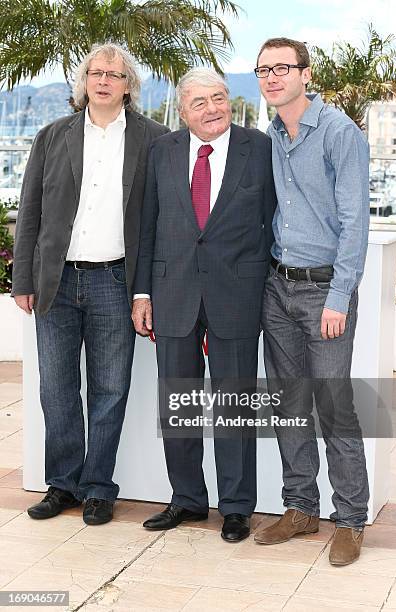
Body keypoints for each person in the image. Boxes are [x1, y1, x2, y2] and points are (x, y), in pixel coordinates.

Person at [12, 43, 168, 525]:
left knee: (110, 390)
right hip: (56, 283)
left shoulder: (154, 139)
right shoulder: (51, 136)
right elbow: (30, 212)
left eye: (114, 75)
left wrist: (148, 291)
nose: (103, 81)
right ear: (85, 82)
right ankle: (63, 484)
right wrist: (23, 279)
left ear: (128, 86)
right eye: (96, 73)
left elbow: (160, 223)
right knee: (55, 390)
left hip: (115, 283)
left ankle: (99, 487)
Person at [133, 68, 276, 542]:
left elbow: (274, 220)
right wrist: (141, 293)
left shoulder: (260, 148)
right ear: (184, 110)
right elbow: (146, 226)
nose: (213, 108)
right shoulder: (163, 151)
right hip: (172, 294)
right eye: (201, 102)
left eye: (219, 97)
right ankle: (188, 500)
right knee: (179, 405)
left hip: (237, 294)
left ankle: (236, 507)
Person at [253, 37, 370, 565]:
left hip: (325, 291)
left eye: (281, 68)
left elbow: (354, 225)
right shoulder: (271, 135)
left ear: (305, 72)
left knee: (334, 407)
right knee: (290, 403)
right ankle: (301, 508)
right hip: (277, 287)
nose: (272, 77)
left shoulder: (340, 133)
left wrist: (339, 296)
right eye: (262, 70)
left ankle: (350, 518)